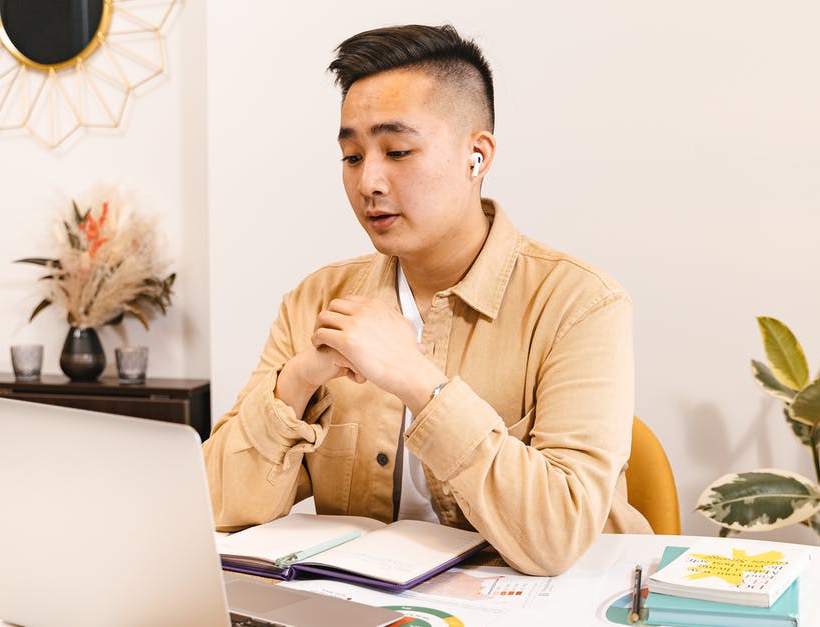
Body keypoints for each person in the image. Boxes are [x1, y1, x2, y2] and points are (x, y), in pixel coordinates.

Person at [202, 24, 651, 576]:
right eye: (351, 156)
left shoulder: (580, 303)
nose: (369, 180)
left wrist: (417, 380)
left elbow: (556, 538)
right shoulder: (316, 300)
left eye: (397, 151)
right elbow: (215, 507)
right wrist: (295, 382)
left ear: (477, 157)